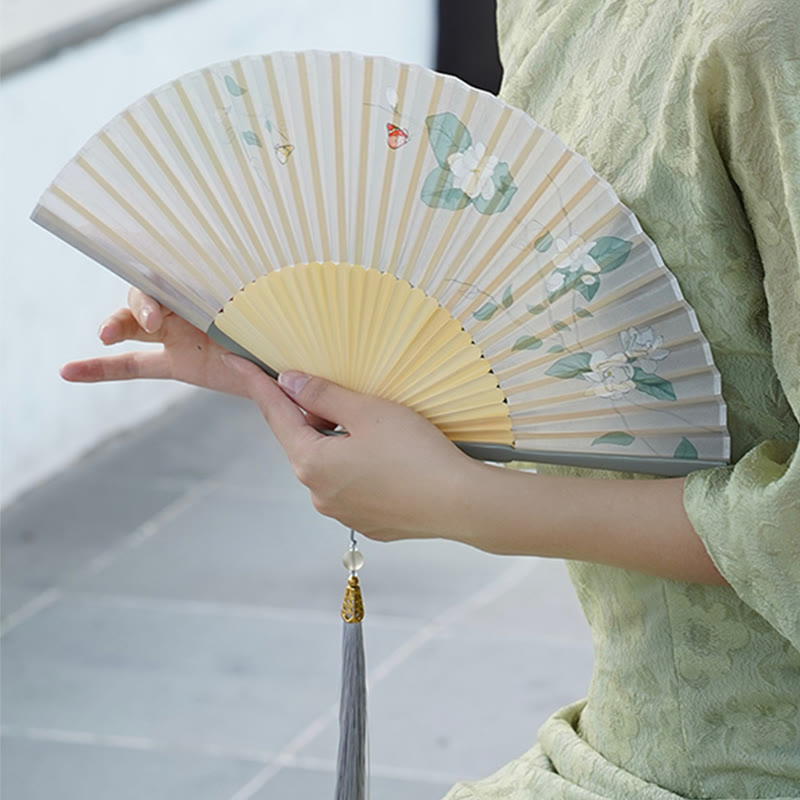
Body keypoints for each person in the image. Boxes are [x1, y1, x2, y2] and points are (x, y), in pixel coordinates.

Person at [62, 0, 800, 796]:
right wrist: (284, 362)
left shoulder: (764, 33)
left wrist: (468, 505)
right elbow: (560, 340)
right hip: (626, 735)